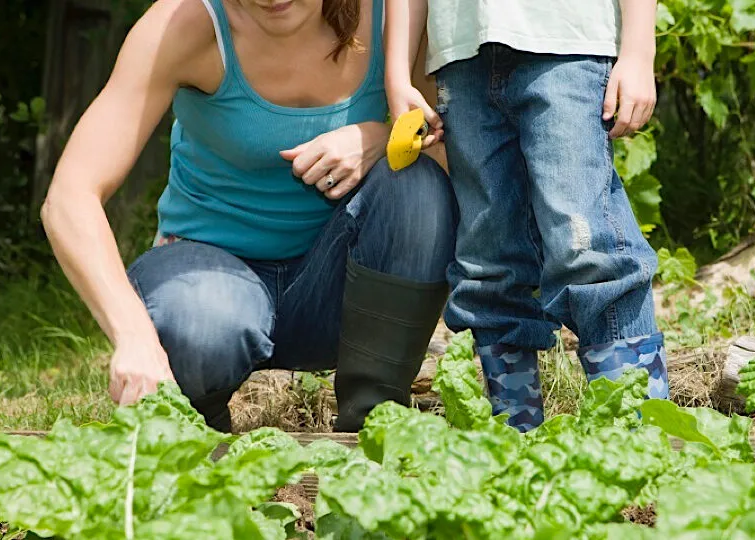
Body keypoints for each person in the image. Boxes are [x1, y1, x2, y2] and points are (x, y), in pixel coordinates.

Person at [41, 0, 456, 433]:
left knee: (419, 186)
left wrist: (381, 136)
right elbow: (69, 196)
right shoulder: (183, 25)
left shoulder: (394, 18)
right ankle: (198, 437)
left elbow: (450, 155)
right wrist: (134, 337)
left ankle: (374, 426)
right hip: (209, 282)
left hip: (339, 289)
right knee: (199, 325)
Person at [385, 0, 668, 432]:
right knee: (487, 257)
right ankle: (516, 441)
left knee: (586, 246)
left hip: (567, 42)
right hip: (461, 60)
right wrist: (397, 73)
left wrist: (638, 50)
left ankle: (641, 434)